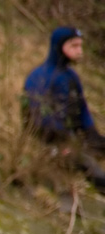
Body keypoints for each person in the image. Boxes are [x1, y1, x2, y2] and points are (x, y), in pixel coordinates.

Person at [22, 26, 105, 192]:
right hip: (51, 141)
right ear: (59, 46)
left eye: (80, 46)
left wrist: (96, 140)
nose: (79, 51)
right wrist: (63, 142)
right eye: (74, 46)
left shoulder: (72, 77)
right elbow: (36, 118)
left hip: (73, 139)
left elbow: (83, 116)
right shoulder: (40, 77)